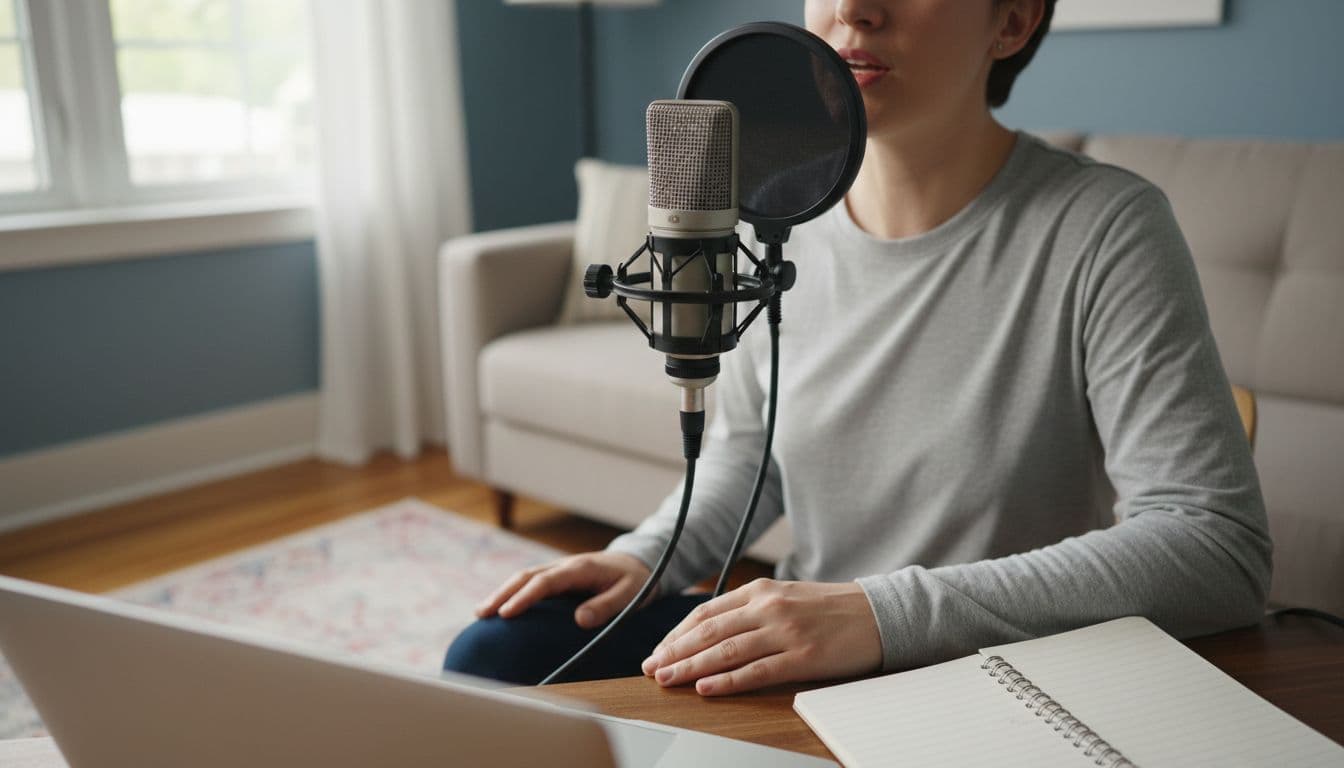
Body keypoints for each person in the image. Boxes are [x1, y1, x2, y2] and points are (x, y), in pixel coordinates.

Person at [444, 0, 1271, 696]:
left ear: (1011, 22)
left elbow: (1214, 545)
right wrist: (644, 561)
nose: (854, 8)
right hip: (815, 650)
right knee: (499, 654)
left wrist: (877, 615)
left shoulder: (1104, 227)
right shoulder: (780, 222)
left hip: (996, 665)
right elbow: (748, 457)